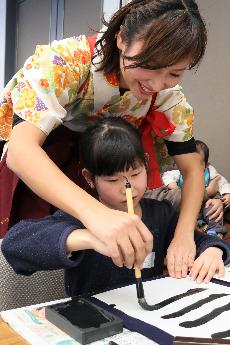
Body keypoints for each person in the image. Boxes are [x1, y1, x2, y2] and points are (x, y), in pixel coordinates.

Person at [0, 0, 208, 277]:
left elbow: (192, 167)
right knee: (41, 241)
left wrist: (184, 236)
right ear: (122, 38)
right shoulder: (64, 61)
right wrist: (95, 214)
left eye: (174, 73)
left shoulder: (170, 98)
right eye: (151, 65)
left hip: (100, 163)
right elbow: (21, 150)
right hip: (41, 158)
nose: (157, 85)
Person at [2, 117, 230, 297]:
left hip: (149, 316)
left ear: (147, 166)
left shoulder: (160, 213)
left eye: (135, 173)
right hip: (93, 323)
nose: (127, 188)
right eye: (113, 180)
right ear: (90, 179)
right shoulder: (80, 218)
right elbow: (15, 246)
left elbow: (204, 240)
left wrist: (213, 251)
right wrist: (92, 238)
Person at [161, 140, 230, 239]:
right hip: (189, 204)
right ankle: (200, 227)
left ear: (206, 165)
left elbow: (222, 182)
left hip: (205, 203)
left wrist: (227, 193)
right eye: (189, 163)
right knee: (184, 213)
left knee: (212, 210)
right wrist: (173, 186)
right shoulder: (179, 172)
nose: (193, 167)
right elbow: (167, 176)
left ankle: (216, 231)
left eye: (198, 163)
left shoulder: (210, 173)